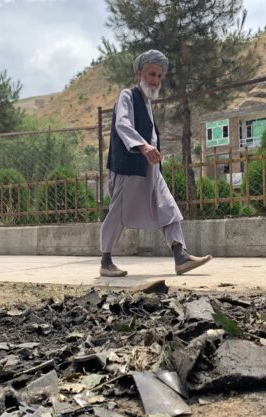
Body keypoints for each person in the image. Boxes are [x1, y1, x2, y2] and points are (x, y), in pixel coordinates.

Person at [100, 49, 212, 277]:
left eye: (159, 76)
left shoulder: (148, 102)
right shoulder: (127, 96)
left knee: (167, 205)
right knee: (118, 212)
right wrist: (142, 147)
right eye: (151, 74)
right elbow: (122, 125)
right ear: (139, 73)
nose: (155, 80)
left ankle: (180, 255)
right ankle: (106, 261)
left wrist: (151, 152)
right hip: (129, 166)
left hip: (151, 167)